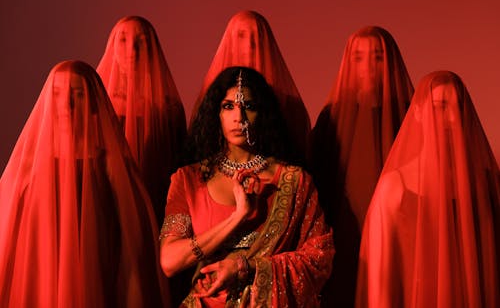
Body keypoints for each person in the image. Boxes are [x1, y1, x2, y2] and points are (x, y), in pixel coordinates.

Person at [0, 61, 170, 307]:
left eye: (77, 95)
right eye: (58, 94)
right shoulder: (30, 165)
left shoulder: (111, 164)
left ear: (92, 103)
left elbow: (133, 241)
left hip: (99, 279)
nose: (66, 105)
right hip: (42, 278)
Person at [160, 66, 334, 307]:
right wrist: (237, 218)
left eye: (248, 107)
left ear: (263, 114)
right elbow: (169, 261)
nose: (238, 117)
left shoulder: (294, 181)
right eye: (228, 106)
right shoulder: (188, 179)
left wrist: (244, 266)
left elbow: (319, 258)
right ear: (216, 114)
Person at [356, 71, 500, 308]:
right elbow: (379, 278)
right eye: (441, 106)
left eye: (458, 107)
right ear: (420, 113)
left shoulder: (484, 184)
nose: (453, 118)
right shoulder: (395, 186)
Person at [308, 26, 414, 307]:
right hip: (342, 237)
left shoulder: (411, 115)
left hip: (399, 236)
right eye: (358, 57)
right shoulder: (331, 117)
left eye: (377, 57)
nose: (367, 66)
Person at [97, 15, 187, 226]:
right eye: (123, 40)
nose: (132, 50)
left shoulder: (168, 108)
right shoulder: (99, 104)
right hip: (106, 203)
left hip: (155, 206)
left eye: (141, 41)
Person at [191, 10, 310, 161]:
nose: (248, 45)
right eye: (241, 36)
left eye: (255, 38)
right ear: (230, 42)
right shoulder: (212, 97)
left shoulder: (290, 103)